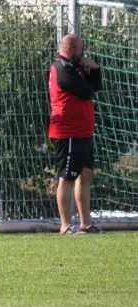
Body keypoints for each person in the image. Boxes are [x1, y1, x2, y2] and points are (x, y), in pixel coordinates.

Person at [49, 34, 103, 235]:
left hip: (83, 130)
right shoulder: (61, 68)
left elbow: (95, 87)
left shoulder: (76, 67)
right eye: (80, 49)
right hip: (68, 131)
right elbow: (87, 92)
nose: (83, 54)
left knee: (85, 174)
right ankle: (65, 225)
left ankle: (86, 223)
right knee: (67, 176)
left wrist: (95, 68)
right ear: (70, 49)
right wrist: (88, 73)